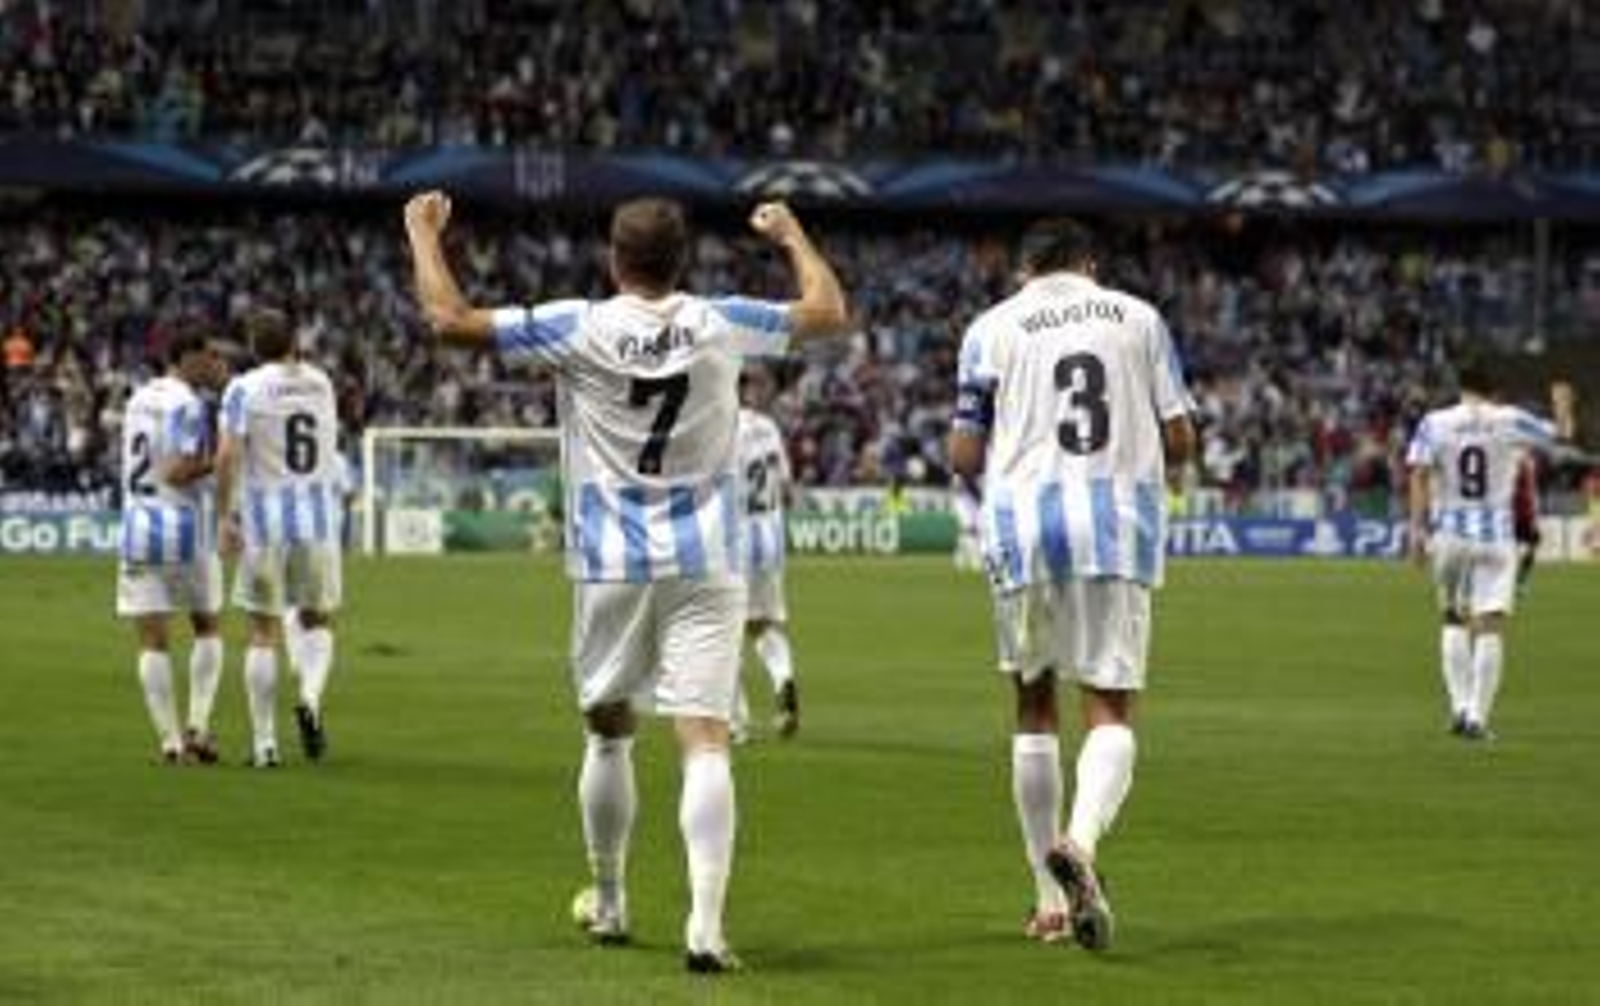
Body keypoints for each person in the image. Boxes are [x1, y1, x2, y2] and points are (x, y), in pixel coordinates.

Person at [403, 190, 849, 974]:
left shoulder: (580, 323)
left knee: (609, 731)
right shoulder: (721, 320)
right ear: (684, 262)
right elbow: (827, 310)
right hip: (709, 556)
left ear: (614, 260)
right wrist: (791, 234)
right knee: (705, 738)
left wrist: (420, 231)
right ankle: (706, 926)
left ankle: (609, 900)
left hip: (611, 558)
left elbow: (449, 320)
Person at [948, 218, 1196, 951]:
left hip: (1022, 528)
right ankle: (1081, 845)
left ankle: (1047, 901)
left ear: (1026, 270)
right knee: (1109, 707)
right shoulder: (1138, 317)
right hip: (1114, 524)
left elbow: (964, 452)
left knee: (1032, 705)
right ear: (1090, 265)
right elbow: (1181, 437)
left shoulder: (989, 327)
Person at [1406, 369, 1576, 741]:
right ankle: (1478, 719)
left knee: (1452, 618)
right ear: (1493, 391)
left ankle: (1459, 706)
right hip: (1496, 538)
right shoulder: (1509, 418)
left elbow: (1417, 474)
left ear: (1461, 388)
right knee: (1490, 624)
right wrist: (1563, 403)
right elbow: (1562, 435)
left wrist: (1417, 532)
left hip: (1449, 536)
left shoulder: (1435, 422)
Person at [214, 309, 344, 768]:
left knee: (263, 632)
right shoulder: (321, 382)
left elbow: (228, 455)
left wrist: (224, 517)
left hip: (264, 522)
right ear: (295, 341)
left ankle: (265, 745)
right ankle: (309, 698)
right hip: (318, 520)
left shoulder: (243, 389)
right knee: (317, 619)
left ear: (252, 347)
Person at [116, 326, 228, 764]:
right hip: (183, 527)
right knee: (207, 625)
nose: (216, 363)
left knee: (151, 641)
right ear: (188, 358)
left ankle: (170, 743)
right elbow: (177, 472)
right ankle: (197, 727)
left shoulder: (138, 398)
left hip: (137, 525)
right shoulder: (188, 404)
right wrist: (217, 462)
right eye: (210, 355)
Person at [734, 374, 800, 740]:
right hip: (771, 537)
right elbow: (787, 487)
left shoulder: (722, 429)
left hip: (736, 538)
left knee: (722, 632)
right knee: (762, 624)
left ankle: (735, 723)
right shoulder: (769, 427)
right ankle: (783, 678)